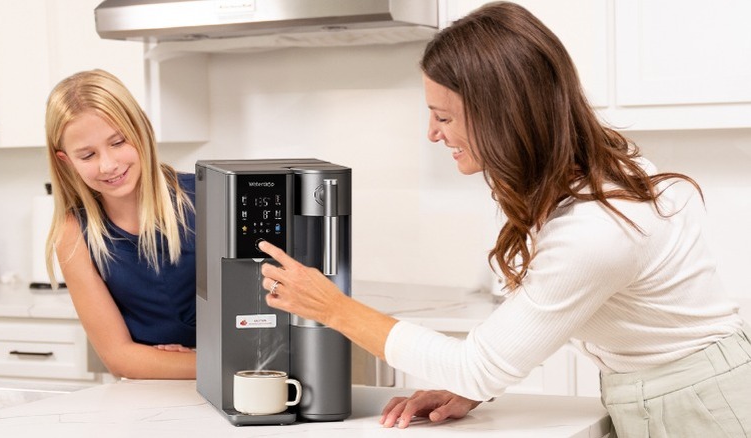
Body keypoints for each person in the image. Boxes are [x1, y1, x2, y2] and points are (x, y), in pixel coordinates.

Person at [258, 2, 751, 436]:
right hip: (682, 394)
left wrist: (333, 308)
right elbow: (530, 330)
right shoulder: (586, 182)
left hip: (702, 409)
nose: (432, 133)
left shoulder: (597, 227)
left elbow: (477, 364)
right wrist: (471, 387)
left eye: (444, 117)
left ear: (503, 114)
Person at [44, 69, 196, 379]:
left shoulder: (208, 197)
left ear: (141, 129)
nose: (108, 165)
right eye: (87, 155)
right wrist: (211, 363)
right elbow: (120, 358)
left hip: (240, 385)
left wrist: (191, 362)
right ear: (66, 161)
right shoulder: (73, 234)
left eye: (118, 142)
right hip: (149, 393)